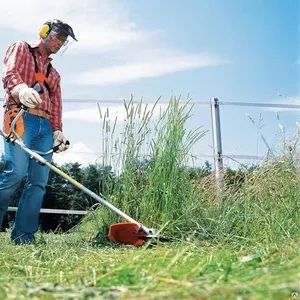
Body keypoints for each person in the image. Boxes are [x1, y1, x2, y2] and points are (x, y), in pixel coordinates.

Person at [0, 19, 78, 244]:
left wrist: (57, 131)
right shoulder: (21, 48)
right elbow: (10, 72)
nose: (61, 43)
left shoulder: (54, 74)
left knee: (38, 182)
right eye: (58, 37)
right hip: (20, 117)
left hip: (45, 128)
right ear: (44, 32)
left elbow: (56, 105)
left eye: (64, 41)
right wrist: (20, 88)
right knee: (15, 172)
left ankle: (24, 236)